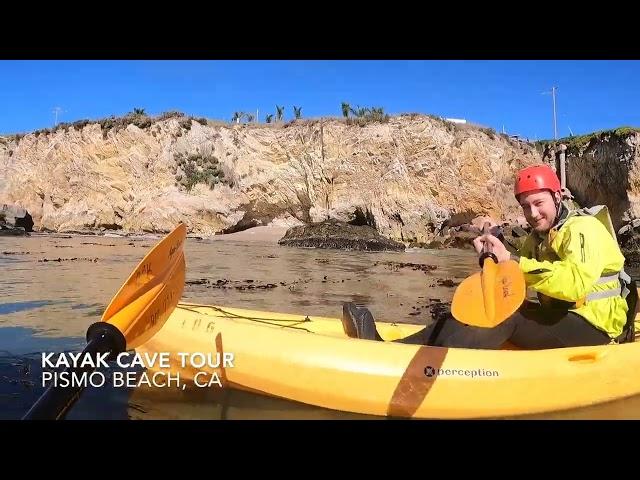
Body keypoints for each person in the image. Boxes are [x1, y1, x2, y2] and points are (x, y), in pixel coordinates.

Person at [343, 164, 635, 349]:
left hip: (599, 326)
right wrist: (491, 255)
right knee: (475, 309)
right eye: (525, 206)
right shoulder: (538, 239)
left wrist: (511, 261)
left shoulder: (583, 229)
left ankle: (425, 362)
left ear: (558, 198)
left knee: (506, 316)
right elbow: (513, 277)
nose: (532, 214)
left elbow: (573, 284)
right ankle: (392, 349)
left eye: (539, 203)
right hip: (563, 315)